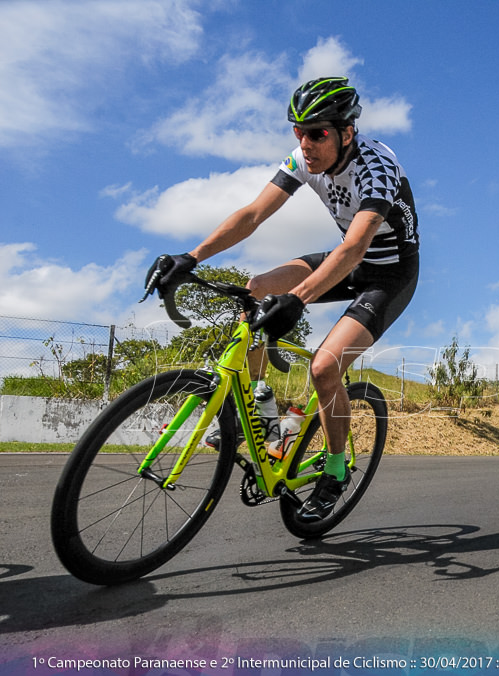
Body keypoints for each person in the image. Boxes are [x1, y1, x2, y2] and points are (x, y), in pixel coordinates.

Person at [146, 77, 419, 522]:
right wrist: (190, 256)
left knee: (325, 366)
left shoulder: (377, 165)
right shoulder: (304, 159)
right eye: (298, 131)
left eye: (317, 133)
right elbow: (253, 214)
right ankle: (259, 409)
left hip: (388, 274)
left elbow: (355, 247)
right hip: (346, 259)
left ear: (346, 131)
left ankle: (334, 471)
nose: (305, 142)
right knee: (257, 288)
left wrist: (297, 299)